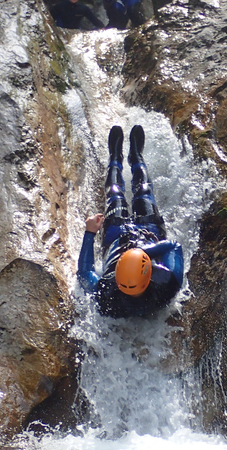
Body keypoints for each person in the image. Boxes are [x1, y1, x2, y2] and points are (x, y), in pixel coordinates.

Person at [77, 125, 184, 317]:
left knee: (115, 194)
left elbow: (85, 274)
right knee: (144, 191)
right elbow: (173, 247)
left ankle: (115, 158)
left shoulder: (107, 295)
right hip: (149, 231)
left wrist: (90, 232)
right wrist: (142, 251)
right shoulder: (167, 283)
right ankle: (136, 157)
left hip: (115, 236)